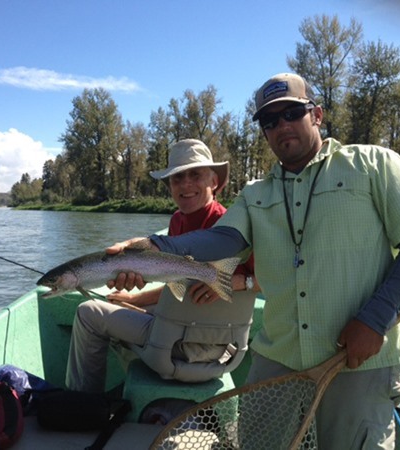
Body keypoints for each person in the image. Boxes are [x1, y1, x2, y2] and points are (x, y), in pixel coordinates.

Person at [105, 73, 400, 449]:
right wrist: (153, 246)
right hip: (277, 359)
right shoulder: (255, 194)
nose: (281, 126)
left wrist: (375, 318)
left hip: (360, 355)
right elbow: (222, 240)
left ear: (316, 114)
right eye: (269, 121)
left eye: (291, 113)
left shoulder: (375, 164)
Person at [66, 138, 257, 393]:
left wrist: (239, 283)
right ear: (170, 187)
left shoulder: (233, 229)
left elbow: (267, 278)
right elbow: (176, 284)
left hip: (196, 344)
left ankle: (81, 404)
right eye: (177, 178)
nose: (185, 184)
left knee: (88, 312)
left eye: (195, 175)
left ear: (214, 182)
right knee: (118, 302)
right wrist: (137, 299)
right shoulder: (178, 220)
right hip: (206, 342)